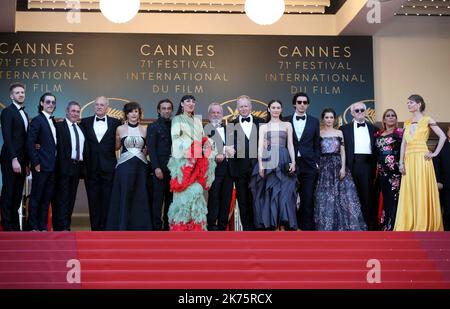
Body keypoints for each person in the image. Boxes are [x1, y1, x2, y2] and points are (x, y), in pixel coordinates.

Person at [395, 95, 446, 231]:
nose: (408, 105)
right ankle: (410, 222)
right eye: (407, 103)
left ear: (419, 104)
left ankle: (423, 223)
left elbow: (443, 136)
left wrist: (435, 153)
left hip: (422, 159)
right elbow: (403, 145)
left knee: (421, 189)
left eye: (411, 102)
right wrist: (401, 162)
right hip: (409, 160)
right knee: (410, 190)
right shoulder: (406, 123)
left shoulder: (427, 120)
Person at [167, 95, 216, 231]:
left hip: (198, 163)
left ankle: (196, 228)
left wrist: (207, 143)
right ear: (182, 104)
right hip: (183, 164)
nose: (191, 103)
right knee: (183, 195)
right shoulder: (177, 119)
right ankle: (180, 228)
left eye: (193, 101)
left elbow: (201, 138)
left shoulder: (197, 121)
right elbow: (176, 140)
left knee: (197, 192)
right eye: (188, 101)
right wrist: (195, 146)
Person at [314, 108, 367, 231]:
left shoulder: (339, 133)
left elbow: (343, 152)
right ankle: (327, 226)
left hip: (338, 165)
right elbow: (317, 151)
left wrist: (343, 168)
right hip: (324, 167)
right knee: (326, 196)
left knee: (343, 196)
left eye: (331, 117)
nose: (329, 120)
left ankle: (343, 226)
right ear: (323, 119)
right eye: (326, 117)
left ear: (335, 119)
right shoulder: (319, 133)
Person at [250, 100, 297, 231]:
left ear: (281, 109)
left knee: (284, 192)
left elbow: (291, 145)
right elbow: (260, 147)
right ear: (269, 109)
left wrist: (293, 161)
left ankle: (283, 224)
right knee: (271, 191)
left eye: (278, 107)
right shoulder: (263, 127)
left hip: (283, 158)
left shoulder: (287, 125)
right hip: (269, 159)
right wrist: (260, 165)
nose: (276, 110)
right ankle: (274, 224)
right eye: (273, 107)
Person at [106, 102, 152, 230]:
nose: (133, 114)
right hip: (124, 168)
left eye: (136, 111)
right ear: (126, 114)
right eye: (131, 111)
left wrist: (145, 151)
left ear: (139, 113)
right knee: (125, 195)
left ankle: (141, 227)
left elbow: (148, 148)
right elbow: (116, 147)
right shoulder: (120, 129)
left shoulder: (145, 129)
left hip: (141, 167)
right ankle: (123, 225)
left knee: (140, 196)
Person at [80, 96, 121, 231]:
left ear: (107, 107)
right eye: (97, 104)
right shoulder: (84, 122)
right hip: (90, 168)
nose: (99, 107)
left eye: (102, 105)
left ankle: (106, 230)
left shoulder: (116, 123)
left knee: (108, 201)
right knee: (93, 201)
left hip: (109, 168)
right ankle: (95, 230)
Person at [340, 102, 378, 229]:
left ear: (366, 111)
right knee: (350, 196)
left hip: (368, 166)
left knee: (367, 196)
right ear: (352, 113)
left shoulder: (374, 129)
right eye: (357, 111)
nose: (360, 112)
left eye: (362, 110)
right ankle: (351, 225)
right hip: (351, 165)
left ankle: (367, 225)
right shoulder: (344, 129)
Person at [229, 95, 264, 230]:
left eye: (246, 106)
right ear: (237, 108)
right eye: (241, 106)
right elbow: (231, 147)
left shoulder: (261, 122)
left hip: (257, 169)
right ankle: (247, 230)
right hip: (240, 169)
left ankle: (259, 229)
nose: (243, 109)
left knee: (257, 200)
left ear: (250, 107)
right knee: (242, 201)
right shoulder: (231, 124)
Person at [288, 92, 320, 231]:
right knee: (290, 198)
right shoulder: (286, 120)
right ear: (294, 104)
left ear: (308, 105)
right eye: (299, 102)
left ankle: (307, 230)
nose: (302, 105)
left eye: (305, 102)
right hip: (291, 164)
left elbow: (316, 143)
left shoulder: (314, 121)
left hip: (309, 165)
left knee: (307, 198)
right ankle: (292, 227)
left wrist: (316, 162)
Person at [53, 101, 86, 231]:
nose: (75, 113)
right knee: (61, 199)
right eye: (73, 111)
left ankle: (66, 226)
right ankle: (60, 228)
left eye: (78, 111)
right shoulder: (59, 126)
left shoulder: (81, 128)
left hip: (76, 168)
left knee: (71, 198)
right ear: (67, 111)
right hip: (62, 167)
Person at [26, 93, 57, 231]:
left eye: (53, 102)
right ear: (41, 103)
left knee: (46, 199)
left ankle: (43, 226)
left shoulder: (54, 121)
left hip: (52, 166)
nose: (51, 104)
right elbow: (30, 142)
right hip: (41, 166)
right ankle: (33, 226)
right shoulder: (38, 120)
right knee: (36, 197)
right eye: (48, 102)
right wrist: (36, 163)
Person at [0, 82, 29, 231]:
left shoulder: (25, 113)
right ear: (11, 96)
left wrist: (27, 163)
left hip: (22, 160)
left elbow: (25, 140)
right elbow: (7, 137)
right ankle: (6, 224)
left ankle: (15, 225)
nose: (20, 95)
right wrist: (14, 159)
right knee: (9, 191)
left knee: (18, 193)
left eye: (22, 92)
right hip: (10, 159)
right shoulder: (7, 112)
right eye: (17, 93)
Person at [204, 102, 235, 231]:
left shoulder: (230, 129)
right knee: (214, 198)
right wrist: (215, 154)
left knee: (226, 199)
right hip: (214, 169)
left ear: (222, 115)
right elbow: (202, 149)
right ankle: (212, 226)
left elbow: (237, 146)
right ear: (209, 115)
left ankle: (222, 226)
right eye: (213, 112)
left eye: (218, 113)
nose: (216, 115)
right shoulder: (205, 129)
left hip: (229, 169)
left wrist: (234, 150)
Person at [374, 109, 403, 231]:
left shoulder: (401, 133)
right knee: (386, 198)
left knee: (395, 198)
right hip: (382, 171)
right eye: (388, 116)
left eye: (393, 116)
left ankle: (394, 225)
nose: (391, 117)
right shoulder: (378, 135)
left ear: (396, 119)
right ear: (384, 119)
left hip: (395, 171)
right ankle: (386, 224)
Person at [147, 98, 173, 231]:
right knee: (157, 201)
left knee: (171, 201)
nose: (166, 111)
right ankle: (156, 229)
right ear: (158, 110)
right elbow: (151, 149)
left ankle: (168, 227)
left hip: (174, 170)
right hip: (159, 169)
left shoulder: (176, 125)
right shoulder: (153, 126)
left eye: (169, 108)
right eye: (164, 108)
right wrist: (156, 167)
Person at [434, 126, 450, 230]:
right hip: (446, 184)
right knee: (448, 212)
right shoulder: (441, 146)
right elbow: (436, 164)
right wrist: (438, 181)